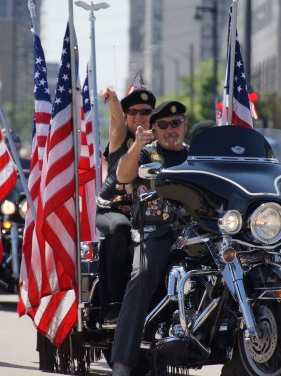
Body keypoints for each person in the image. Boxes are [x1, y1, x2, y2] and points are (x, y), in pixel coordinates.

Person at [111, 100, 189, 376]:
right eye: (163, 125)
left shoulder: (195, 157)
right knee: (143, 274)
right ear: (154, 129)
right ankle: (122, 362)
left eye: (176, 123)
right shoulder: (145, 154)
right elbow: (122, 174)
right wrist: (137, 145)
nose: (171, 129)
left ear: (184, 125)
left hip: (192, 233)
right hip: (154, 230)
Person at [95, 86, 156, 323]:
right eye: (133, 112)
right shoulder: (121, 136)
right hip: (113, 208)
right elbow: (117, 118)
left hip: (148, 214)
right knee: (119, 229)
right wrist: (113, 100)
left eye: (145, 111)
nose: (139, 117)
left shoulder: (159, 135)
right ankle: (113, 304)